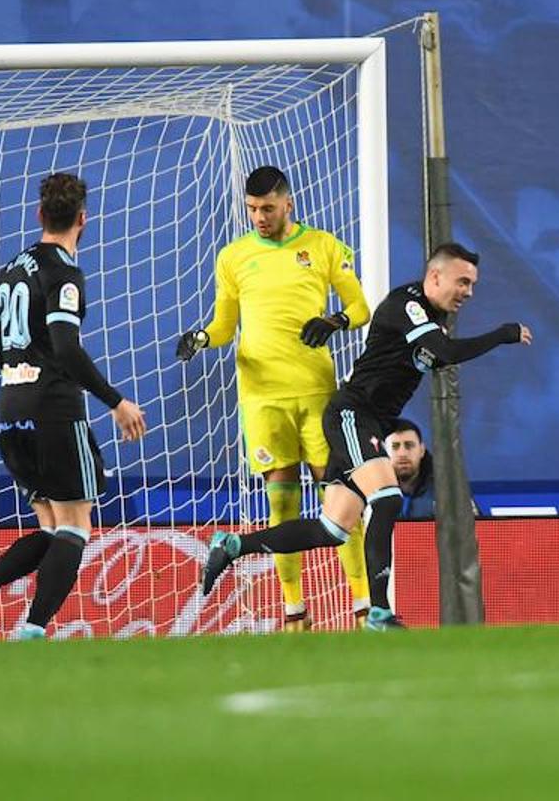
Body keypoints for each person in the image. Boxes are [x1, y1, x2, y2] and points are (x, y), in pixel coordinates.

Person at [198, 242, 531, 630]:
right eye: (462, 282)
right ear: (435, 276)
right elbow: (446, 352)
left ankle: (234, 545)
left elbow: (435, 355)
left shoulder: (431, 318)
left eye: (472, 285)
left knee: (332, 529)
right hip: (353, 415)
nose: (468, 292)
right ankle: (378, 611)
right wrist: (502, 334)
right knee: (387, 499)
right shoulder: (409, 305)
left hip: (368, 422)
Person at [176, 166, 372, 630]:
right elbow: (224, 326)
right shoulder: (233, 256)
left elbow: (360, 307)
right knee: (281, 505)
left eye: (267, 208)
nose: (259, 218)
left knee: (342, 503)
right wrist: (201, 338)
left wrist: (335, 322)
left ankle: (364, 606)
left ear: (288, 203)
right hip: (262, 398)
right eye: (251, 210)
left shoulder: (323, 246)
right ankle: (293, 611)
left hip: (317, 394)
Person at [0, 173, 146, 640]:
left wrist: (21, 363)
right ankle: (33, 631)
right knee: (77, 527)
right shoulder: (64, 273)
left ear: (40, 214)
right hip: (53, 411)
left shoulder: (10, 269)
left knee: (51, 527)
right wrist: (116, 402)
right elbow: (65, 348)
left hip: (11, 408)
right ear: (83, 219)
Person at [387, 419, 435, 520]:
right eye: (395, 447)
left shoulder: (448, 489)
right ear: (385, 451)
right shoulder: (371, 490)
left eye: (409, 445)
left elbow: (473, 529)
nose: (402, 454)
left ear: (422, 450)